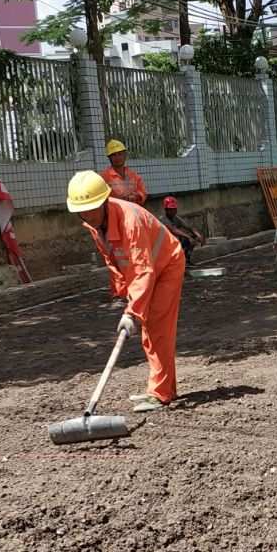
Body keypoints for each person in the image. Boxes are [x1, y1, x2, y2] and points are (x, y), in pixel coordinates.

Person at [67, 170, 185, 411]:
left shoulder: (129, 220)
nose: (86, 216)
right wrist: (123, 292)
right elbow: (112, 256)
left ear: (103, 201)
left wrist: (133, 313)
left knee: (156, 328)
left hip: (166, 265)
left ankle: (160, 393)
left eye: (90, 209)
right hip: (146, 270)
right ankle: (164, 389)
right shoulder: (94, 222)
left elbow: (144, 270)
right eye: (81, 211)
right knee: (150, 328)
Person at [162, 195, 206, 273]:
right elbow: (174, 230)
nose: (173, 211)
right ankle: (176, 262)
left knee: (192, 237)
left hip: (173, 242)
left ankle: (187, 260)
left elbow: (188, 227)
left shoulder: (176, 218)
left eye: (174, 209)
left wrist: (197, 235)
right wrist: (188, 237)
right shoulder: (163, 219)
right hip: (164, 245)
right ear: (166, 210)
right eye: (170, 209)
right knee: (185, 238)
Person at [101, 138, 147, 205]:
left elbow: (143, 192)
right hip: (115, 213)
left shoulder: (133, 175)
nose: (117, 157)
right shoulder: (104, 177)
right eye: (114, 155)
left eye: (120, 154)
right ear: (109, 157)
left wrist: (137, 196)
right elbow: (101, 199)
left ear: (125, 155)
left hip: (133, 212)